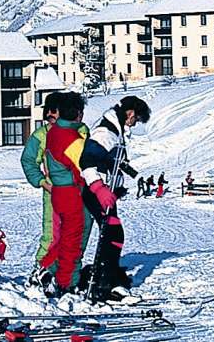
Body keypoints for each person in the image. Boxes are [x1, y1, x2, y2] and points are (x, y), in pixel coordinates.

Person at [78, 95, 151, 303]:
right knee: (112, 233)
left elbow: (112, 159)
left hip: (107, 192)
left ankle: (107, 276)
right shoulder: (106, 132)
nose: (135, 124)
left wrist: (127, 176)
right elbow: (86, 161)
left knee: (112, 233)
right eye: (136, 119)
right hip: (97, 191)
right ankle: (104, 283)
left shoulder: (115, 131)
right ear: (130, 113)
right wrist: (98, 188)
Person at [36, 91, 93, 295]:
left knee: (67, 236)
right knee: (70, 237)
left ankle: (51, 270)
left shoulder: (57, 133)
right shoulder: (67, 137)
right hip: (68, 193)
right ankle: (64, 280)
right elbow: (83, 167)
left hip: (63, 191)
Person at [20, 91, 64, 287]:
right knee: (53, 233)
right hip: (54, 193)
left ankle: (64, 271)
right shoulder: (41, 135)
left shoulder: (78, 132)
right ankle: (42, 269)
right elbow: (28, 161)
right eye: (48, 111)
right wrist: (42, 182)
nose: (50, 115)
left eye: (55, 111)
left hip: (76, 192)